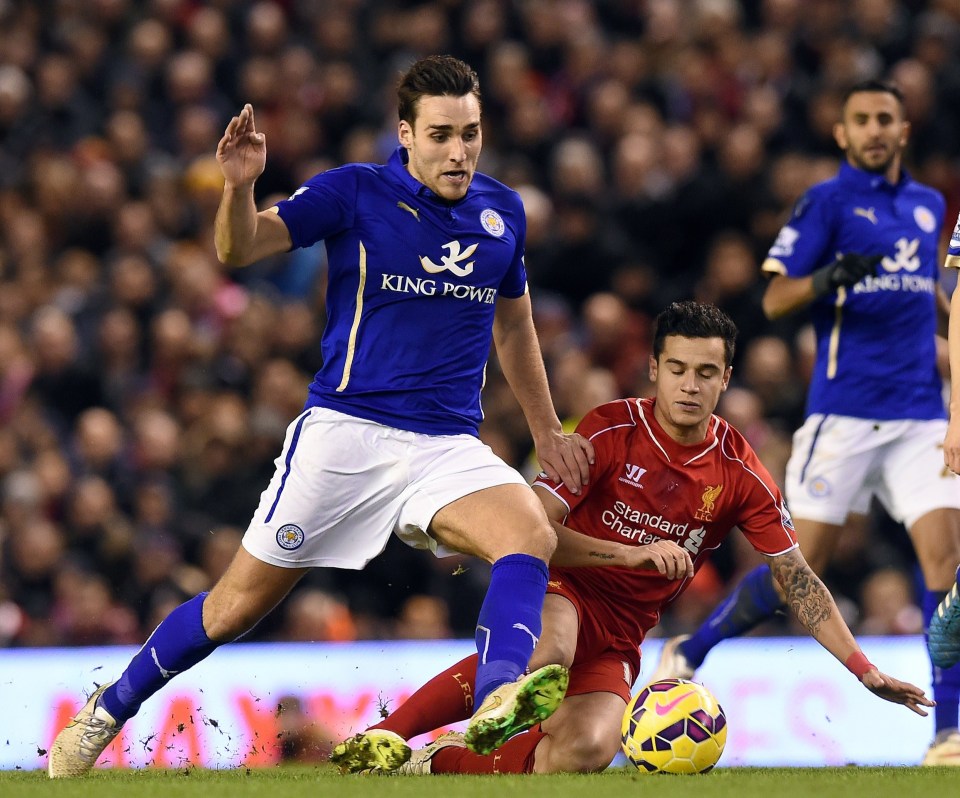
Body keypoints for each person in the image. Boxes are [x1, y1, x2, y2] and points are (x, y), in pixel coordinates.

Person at [47, 55, 594, 778]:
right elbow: (239, 248)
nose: (459, 151)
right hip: (345, 435)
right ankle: (107, 710)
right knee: (232, 611)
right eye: (441, 135)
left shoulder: (503, 214)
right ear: (405, 134)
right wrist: (238, 189)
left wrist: (547, 429)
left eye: (471, 133)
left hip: (445, 445)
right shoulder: (355, 192)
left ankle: (499, 695)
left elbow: (516, 328)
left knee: (528, 530)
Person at [328, 301, 931, 776]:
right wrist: (631, 553)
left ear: (725, 379)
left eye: (704, 373)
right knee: (548, 654)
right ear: (654, 370)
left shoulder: (740, 473)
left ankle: (429, 762)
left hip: (624, 633)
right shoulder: (608, 429)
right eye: (676, 370)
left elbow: (795, 577)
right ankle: (386, 733)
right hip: (564, 588)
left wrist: (863, 669)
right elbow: (530, 534)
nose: (688, 386)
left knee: (586, 750)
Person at [650, 79, 960, 766]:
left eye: (887, 118)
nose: (875, 130)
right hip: (841, 417)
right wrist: (829, 278)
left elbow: (932, 293)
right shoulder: (825, 204)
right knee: (801, 569)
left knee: (945, 563)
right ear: (842, 134)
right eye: (861, 120)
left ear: (904, 131)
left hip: (917, 416)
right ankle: (690, 648)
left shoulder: (928, 205)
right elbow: (776, 295)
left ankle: (947, 734)